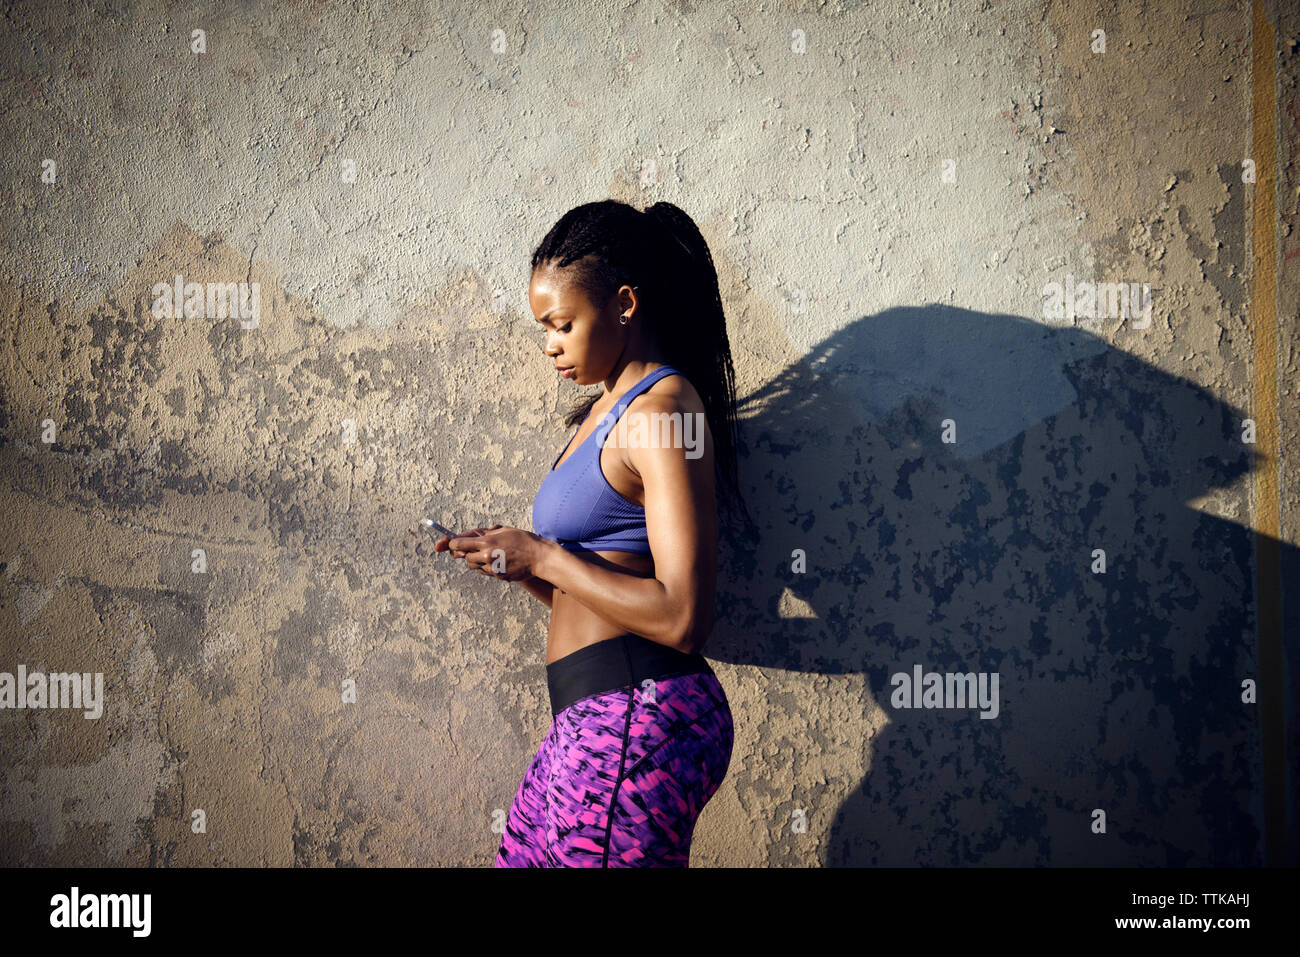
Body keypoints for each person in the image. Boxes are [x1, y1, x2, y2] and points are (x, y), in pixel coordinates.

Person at [434, 199, 752, 866]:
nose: (549, 342)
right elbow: (603, 596)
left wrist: (544, 552)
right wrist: (522, 567)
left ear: (625, 304)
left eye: (562, 323)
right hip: (589, 716)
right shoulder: (605, 412)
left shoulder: (664, 410)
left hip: (636, 714)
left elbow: (684, 617)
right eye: (543, 327)